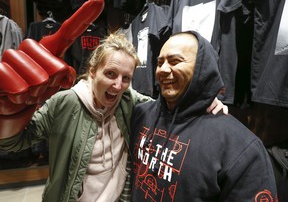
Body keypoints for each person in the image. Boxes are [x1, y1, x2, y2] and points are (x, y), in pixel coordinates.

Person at [0, 32, 228, 202]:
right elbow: (16, 142)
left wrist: (203, 98)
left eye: (126, 78)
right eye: (110, 74)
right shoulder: (65, 102)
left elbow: (165, 107)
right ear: (92, 71)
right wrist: (10, 114)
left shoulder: (129, 101)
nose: (118, 86)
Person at [130, 31, 278, 201]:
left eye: (175, 61)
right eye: (159, 62)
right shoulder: (141, 114)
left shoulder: (241, 146)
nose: (162, 70)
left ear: (202, 68)